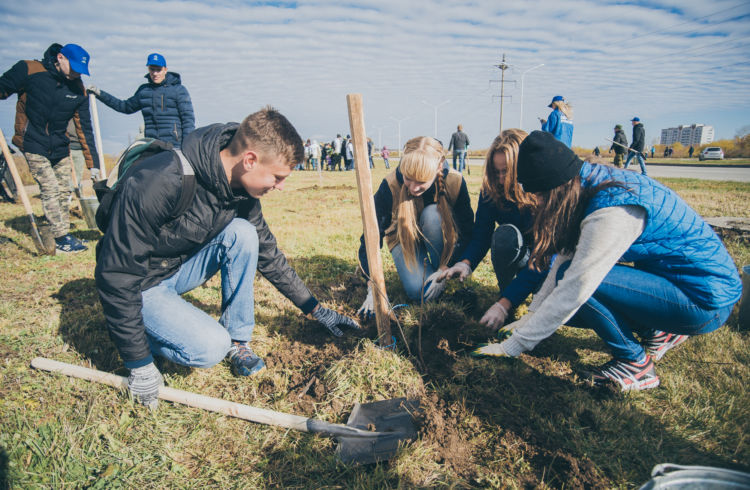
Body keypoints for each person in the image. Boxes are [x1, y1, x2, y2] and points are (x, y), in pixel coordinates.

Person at [95, 107, 361, 409]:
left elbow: (267, 253)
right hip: (141, 284)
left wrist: (314, 309)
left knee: (243, 233)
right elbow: (115, 276)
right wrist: (139, 363)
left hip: (177, 268)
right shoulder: (160, 181)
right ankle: (130, 326)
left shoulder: (240, 191)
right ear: (249, 160)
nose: (281, 187)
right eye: (277, 176)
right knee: (210, 348)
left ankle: (238, 341)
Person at [473, 131, 742, 392]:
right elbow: (566, 254)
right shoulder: (587, 183)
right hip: (675, 283)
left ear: (555, 188)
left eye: (541, 196)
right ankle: (658, 332)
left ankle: (635, 364)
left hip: (705, 301)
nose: (539, 202)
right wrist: (531, 316)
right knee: (561, 291)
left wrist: (514, 346)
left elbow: (577, 285)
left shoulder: (611, 211)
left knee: (579, 288)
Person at [439, 129, 546, 330]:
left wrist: (504, 304)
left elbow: (545, 255)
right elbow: (481, 234)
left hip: (544, 259)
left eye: (506, 171)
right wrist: (465, 263)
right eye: (496, 172)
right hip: (518, 253)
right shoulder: (491, 192)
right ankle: (507, 292)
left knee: (544, 303)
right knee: (504, 235)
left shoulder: (542, 192)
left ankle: (515, 298)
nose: (500, 179)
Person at [0, 43, 100, 253]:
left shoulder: (77, 88)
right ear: (60, 58)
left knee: (64, 190)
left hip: (59, 146)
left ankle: (59, 229)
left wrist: (94, 164)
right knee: (50, 188)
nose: (76, 75)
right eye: (73, 68)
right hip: (32, 142)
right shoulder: (29, 69)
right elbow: (3, 88)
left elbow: (85, 128)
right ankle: (60, 237)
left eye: (80, 72)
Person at [357, 136, 473, 313]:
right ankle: (427, 280)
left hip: (439, 236)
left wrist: (446, 267)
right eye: (408, 178)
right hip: (403, 238)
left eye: (421, 181)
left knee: (433, 215)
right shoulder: (390, 186)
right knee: (419, 293)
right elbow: (370, 238)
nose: (413, 188)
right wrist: (373, 286)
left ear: (438, 168)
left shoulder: (455, 182)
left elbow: (467, 232)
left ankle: (442, 276)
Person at [88, 53, 195, 149]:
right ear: (148, 69)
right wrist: (100, 94)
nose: (155, 73)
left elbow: (188, 119)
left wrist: (187, 145)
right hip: (152, 144)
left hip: (174, 145)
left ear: (165, 70)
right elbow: (124, 107)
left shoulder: (178, 90)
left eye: (159, 70)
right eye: (152, 69)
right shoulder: (144, 91)